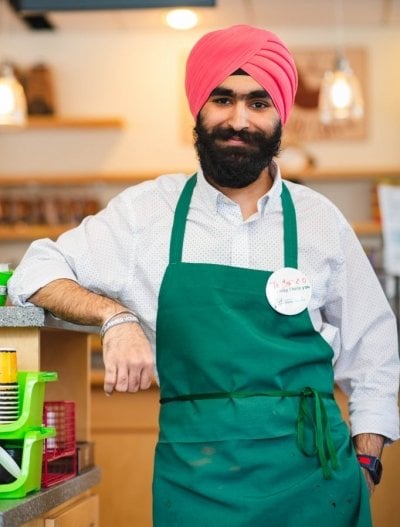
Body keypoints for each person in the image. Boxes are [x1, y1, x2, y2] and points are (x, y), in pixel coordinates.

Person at [8, 24, 399, 526]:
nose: (239, 119)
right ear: (198, 109)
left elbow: (374, 356)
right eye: (223, 99)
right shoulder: (146, 212)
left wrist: (365, 463)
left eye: (259, 103)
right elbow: (34, 269)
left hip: (316, 485)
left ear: (280, 115)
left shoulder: (321, 221)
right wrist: (115, 318)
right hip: (195, 487)